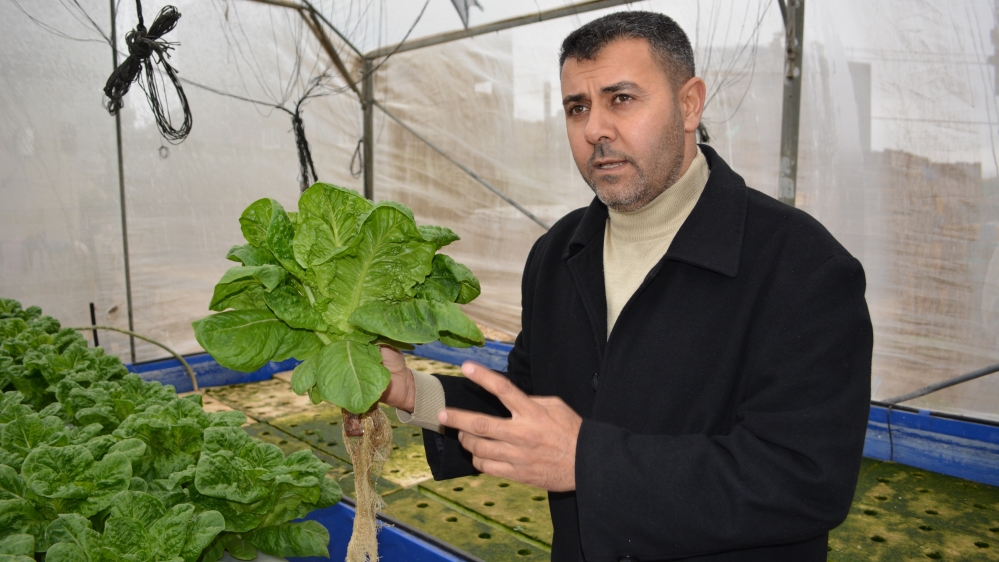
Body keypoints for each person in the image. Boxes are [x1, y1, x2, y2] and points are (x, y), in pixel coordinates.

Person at [380, 10, 872, 562]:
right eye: (577, 107)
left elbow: (805, 479)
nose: (595, 129)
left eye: (621, 98)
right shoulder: (559, 253)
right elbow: (530, 397)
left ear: (689, 105)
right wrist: (409, 394)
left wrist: (587, 461)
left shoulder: (802, 266)